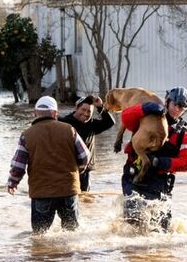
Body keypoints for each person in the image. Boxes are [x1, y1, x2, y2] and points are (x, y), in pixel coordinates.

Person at [7, 95, 90, 234]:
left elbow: (18, 166)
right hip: (68, 190)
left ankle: (42, 256)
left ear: (35, 113)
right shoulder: (69, 130)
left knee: (40, 237)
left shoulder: (27, 135)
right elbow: (85, 156)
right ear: (55, 113)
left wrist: (12, 183)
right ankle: (70, 256)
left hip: (42, 191)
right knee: (72, 234)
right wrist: (78, 171)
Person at [119, 87, 187, 231]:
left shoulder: (183, 134)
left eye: (182, 108)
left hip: (159, 183)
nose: (178, 110)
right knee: (132, 224)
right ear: (167, 102)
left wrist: (160, 162)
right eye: (175, 105)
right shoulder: (147, 117)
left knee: (160, 230)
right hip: (134, 177)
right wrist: (144, 108)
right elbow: (125, 118)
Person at [58, 94, 116, 192]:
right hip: (68, 169)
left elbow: (110, 122)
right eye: (83, 109)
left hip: (85, 170)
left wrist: (100, 107)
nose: (85, 113)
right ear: (76, 108)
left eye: (89, 111)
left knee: (85, 198)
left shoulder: (92, 125)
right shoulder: (64, 122)